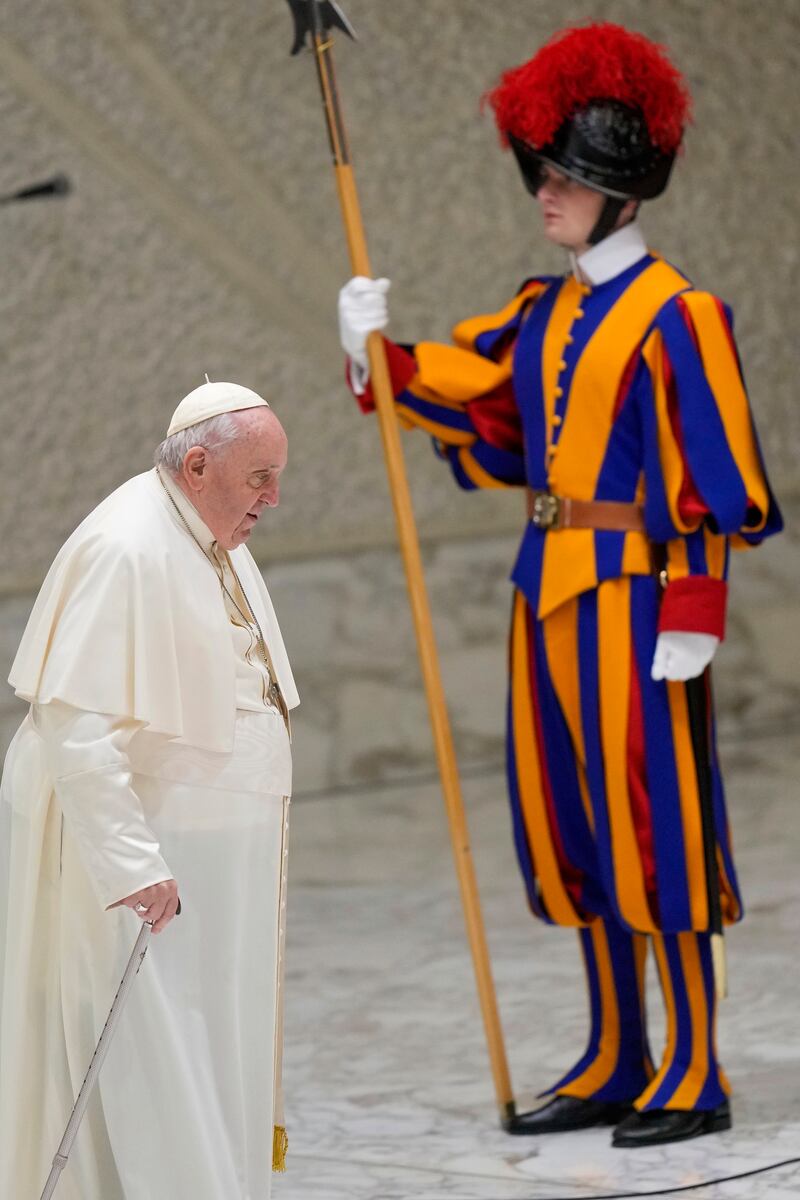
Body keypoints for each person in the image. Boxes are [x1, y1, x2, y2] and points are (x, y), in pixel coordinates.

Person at [337, 23, 782, 1147]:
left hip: (635, 602)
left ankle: (690, 1068)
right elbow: (475, 396)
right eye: (542, 168)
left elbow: (711, 475)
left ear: (621, 193)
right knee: (573, 826)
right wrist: (374, 355)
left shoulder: (680, 317)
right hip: (548, 599)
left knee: (656, 826)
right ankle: (614, 1052)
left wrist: (693, 608)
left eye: (568, 175)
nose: (545, 190)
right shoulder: (543, 315)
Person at [0, 381, 298, 1197]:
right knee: (150, 1056)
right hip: (145, 867)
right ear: (198, 464)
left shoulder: (204, 533)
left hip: (201, 857)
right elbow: (76, 723)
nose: (272, 499)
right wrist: (132, 864)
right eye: (259, 478)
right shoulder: (128, 546)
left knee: (201, 1047)